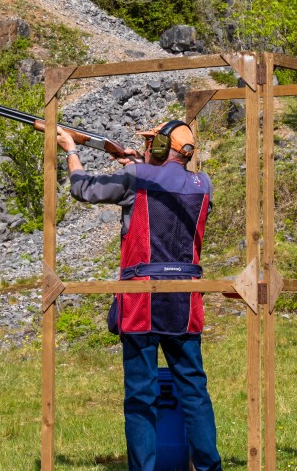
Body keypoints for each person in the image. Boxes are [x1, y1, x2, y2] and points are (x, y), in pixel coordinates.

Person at [57, 120, 223, 471]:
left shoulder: (137, 176)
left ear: (161, 149)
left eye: (152, 144)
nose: (148, 147)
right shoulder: (203, 184)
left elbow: (83, 188)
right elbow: (167, 188)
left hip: (141, 299)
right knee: (194, 392)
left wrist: (71, 150)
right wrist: (140, 165)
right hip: (186, 299)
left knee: (140, 396)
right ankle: (210, 467)